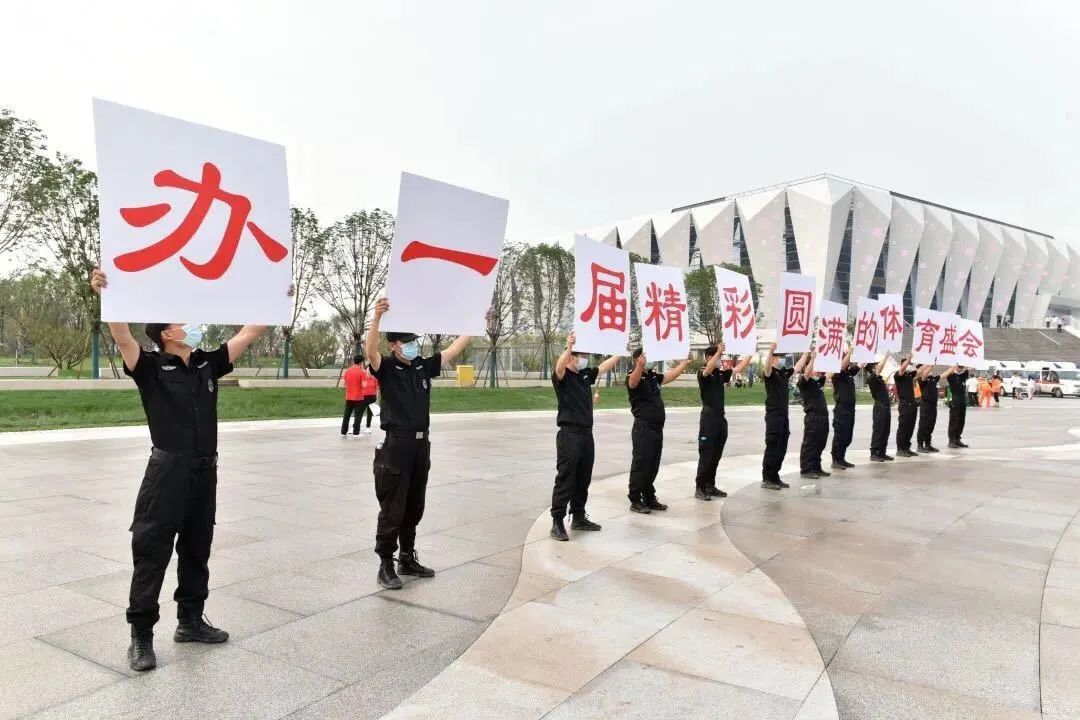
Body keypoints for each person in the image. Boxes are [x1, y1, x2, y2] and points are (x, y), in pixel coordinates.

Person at [90, 268, 289, 673]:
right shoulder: (148, 367)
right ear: (166, 333)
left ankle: (191, 621)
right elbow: (122, 337)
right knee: (152, 552)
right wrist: (107, 297)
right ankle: (141, 637)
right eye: (185, 322)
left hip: (204, 473)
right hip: (167, 474)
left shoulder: (207, 364)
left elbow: (248, 335)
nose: (194, 327)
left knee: (197, 548)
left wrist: (276, 299)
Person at [365, 298, 471, 590]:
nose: (413, 346)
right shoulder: (385, 367)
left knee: (414, 505)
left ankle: (407, 557)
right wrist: (376, 318)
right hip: (396, 447)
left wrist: (474, 325)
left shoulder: (422, 368)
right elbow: (369, 350)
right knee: (393, 507)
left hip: (421, 447)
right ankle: (386, 563)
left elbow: (452, 350)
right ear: (394, 345)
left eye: (414, 341)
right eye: (407, 342)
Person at [549, 332, 620, 541]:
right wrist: (569, 346)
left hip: (587, 435)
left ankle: (578, 515)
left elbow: (605, 366)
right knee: (566, 478)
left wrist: (620, 351)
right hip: (569, 435)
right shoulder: (563, 377)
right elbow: (559, 367)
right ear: (572, 356)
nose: (585, 360)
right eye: (582, 356)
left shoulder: (585, 375)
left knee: (583, 477)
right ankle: (557, 521)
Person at [626, 348, 691, 514]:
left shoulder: (652, 377)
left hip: (657, 428)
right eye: (646, 358)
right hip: (643, 427)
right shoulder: (634, 375)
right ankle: (635, 499)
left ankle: (649, 496)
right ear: (638, 359)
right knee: (641, 463)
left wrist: (684, 363)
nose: (650, 360)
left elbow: (670, 376)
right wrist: (639, 366)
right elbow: (632, 383)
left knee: (653, 464)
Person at [694, 343, 751, 501]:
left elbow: (737, 369)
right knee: (706, 454)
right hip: (708, 419)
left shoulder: (719, 374)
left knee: (716, 454)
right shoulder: (703, 373)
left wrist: (750, 353)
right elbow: (707, 370)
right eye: (715, 357)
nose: (719, 359)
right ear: (708, 358)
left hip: (720, 418)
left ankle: (710, 485)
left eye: (719, 357)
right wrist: (719, 351)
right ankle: (700, 487)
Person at [761, 343, 808, 489]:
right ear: (774, 359)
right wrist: (770, 352)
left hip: (784, 415)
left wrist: (807, 352)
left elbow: (798, 367)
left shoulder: (783, 374)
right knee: (773, 445)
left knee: (782, 446)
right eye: (778, 358)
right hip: (774, 415)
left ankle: (775, 476)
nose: (781, 360)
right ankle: (767, 478)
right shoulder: (770, 374)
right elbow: (767, 368)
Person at [797, 351, 830, 480]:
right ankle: (806, 469)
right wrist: (812, 359)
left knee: (820, 443)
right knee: (810, 443)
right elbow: (806, 373)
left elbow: (829, 374)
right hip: (813, 417)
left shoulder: (817, 382)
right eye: (814, 367)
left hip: (822, 417)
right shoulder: (804, 382)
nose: (817, 370)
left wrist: (836, 358)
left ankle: (816, 467)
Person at [829, 346, 860, 470]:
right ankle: (836, 460)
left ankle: (841, 458)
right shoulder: (836, 374)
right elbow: (842, 365)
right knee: (840, 435)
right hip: (841, 410)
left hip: (850, 410)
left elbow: (860, 365)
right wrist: (849, 354)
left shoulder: (848, 374)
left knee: (847, 436)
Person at [866, 354, 893, 462]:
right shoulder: (871, 378)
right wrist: (886, 357)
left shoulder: (879, 378)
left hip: (885, 407)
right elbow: (880, 368)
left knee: (885, 430)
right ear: (873, 368)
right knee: (879, 430)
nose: (878, 366)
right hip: (880, 407)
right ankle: (874, 453)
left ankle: (882, 452)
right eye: (876, 365)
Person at [916, 364, 949, 453]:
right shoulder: (922, 380)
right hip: (925, 405)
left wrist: (954, 367)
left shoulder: (933, 379)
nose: (930, 371)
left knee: (931, 425)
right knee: (923, 425)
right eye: (926, 369)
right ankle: (920, 445)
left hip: (933, 406)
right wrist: (931, 365)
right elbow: (925, 374)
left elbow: (944, 374)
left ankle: (928, 444)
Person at [893, 356, 919, 457]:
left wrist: (931, 362)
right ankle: (900, 449)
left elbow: (920, 370)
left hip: (912, 404)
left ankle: (906, 447)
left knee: (910, 427)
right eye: (908, 364)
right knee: (903, 427)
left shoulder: (909, 375)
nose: (909, 366)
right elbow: (903, 368)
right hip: (904, 405)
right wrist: (909, 359)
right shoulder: (898, 375)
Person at [341, 355, 370, 437]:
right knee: (358, 415)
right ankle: (356, 433)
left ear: (353, 361)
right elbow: (364, 385)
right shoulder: (362, 372)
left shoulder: (347, 371)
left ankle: (343, 432)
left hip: (349, 396)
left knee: (347, 415)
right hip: (359, 397)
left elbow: (345, 384)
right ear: (361, 362)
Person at [946, 365, 969, 448]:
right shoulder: (951, 376)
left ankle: (957, 439)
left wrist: (965, 365)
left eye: (961, 368)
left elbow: (966, 369)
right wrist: (953, 366)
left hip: (962, 402)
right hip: (955, 402)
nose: (960, 369)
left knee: (961, 421)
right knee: (954, 421)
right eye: (959, 367)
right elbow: (948, 373)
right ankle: (951, 440)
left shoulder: (963, 376)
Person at [360, 362, 379, 433]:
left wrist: (376, 399)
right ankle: (355, 427)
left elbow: (376, 389)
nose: (369, 372)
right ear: (366, 370)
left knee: (369, 413)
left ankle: (368, 427)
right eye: (368, 370)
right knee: (360, 412)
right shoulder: (363, 378)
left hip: (372, 397)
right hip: (363, 397)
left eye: (370, 370)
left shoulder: (374, 379)